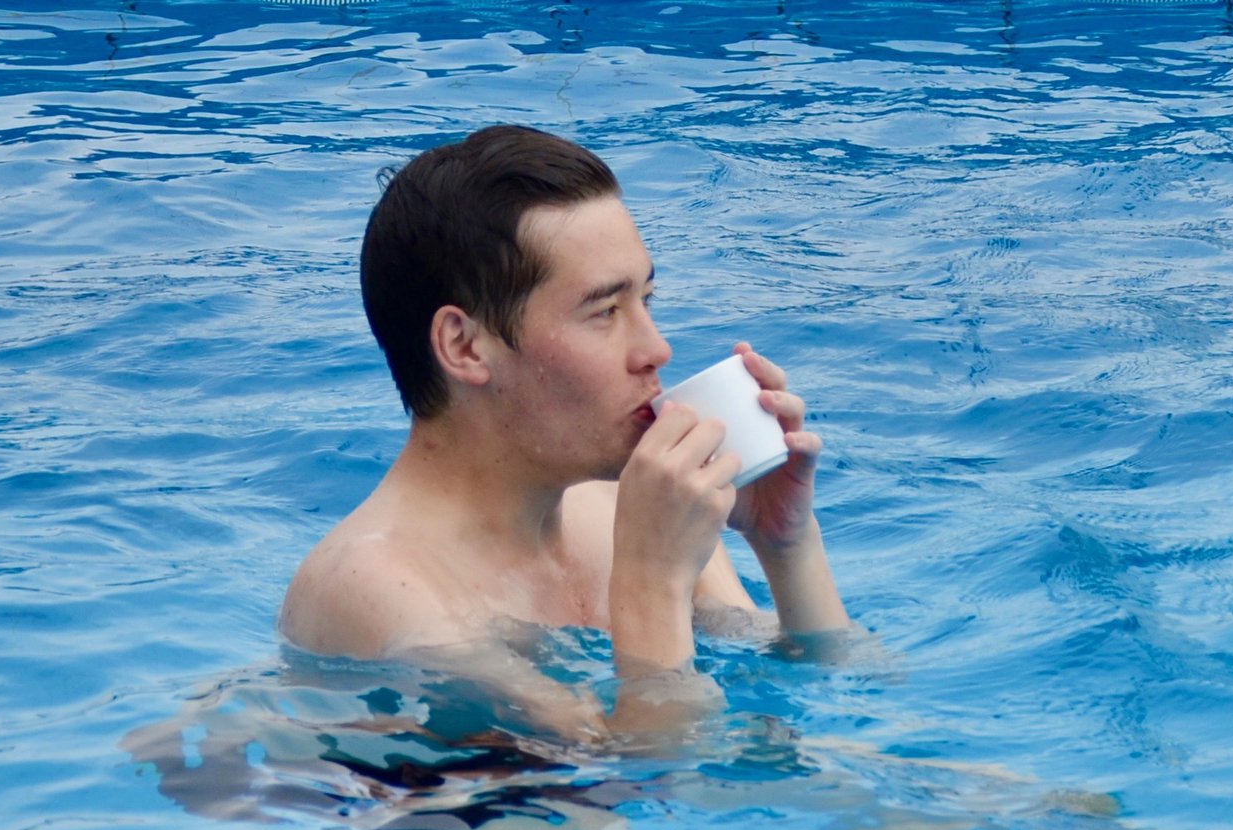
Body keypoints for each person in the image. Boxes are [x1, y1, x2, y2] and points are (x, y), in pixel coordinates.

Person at [278, 125, 850, 738]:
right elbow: (647, 787)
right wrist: (651, 585)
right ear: (466, 346)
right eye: (604, 312)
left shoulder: (624, 508)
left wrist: (787, 546)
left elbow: (826, 690)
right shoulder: (378, 589)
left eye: (647, 300)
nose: (656, 349)